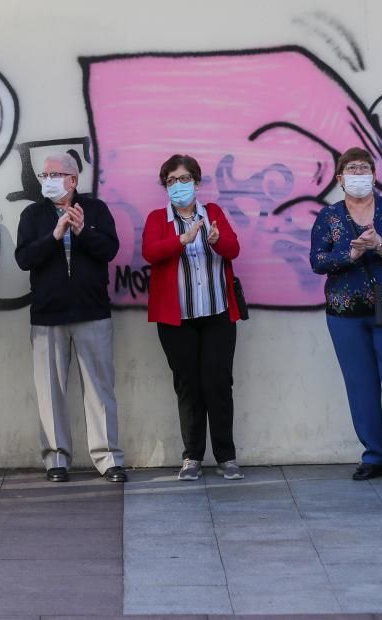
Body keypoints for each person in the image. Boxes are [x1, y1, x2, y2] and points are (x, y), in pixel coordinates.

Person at [310, 147, 382, 484]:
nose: (358, 174)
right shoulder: (328, 217)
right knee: (360, 385)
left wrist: (381, 245)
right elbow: (318, 261)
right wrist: (352, 252)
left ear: (374, 176)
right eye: (351, 169)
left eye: (364, 168)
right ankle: (375, 456)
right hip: (345, 313)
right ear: (340, 178)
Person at [14, 152, 127, 483]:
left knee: (99, 389)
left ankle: (109, 458)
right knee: (50, 390)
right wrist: (54, 234)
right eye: (44, 175)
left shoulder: (95, 210)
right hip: (47, 317)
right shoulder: (33, 215)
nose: (48, 180)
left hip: (92, 313)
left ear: (73, 180)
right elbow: (24, 258)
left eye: (55, 174)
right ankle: (56, 460)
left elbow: (109, 250)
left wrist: (81, 231)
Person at [142, 154, 244, 482]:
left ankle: (226, 457)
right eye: (171, 181)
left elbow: (233, 249)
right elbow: (150, 252)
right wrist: (180, 240)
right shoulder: (158, 219)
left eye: (183, 179)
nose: (178, 186)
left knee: (218, 384)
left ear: (197, 183)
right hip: (177, 319)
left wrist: (216, 239)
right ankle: (192, 457)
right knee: (188, 386)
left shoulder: (212, 213)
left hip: (217, 314)